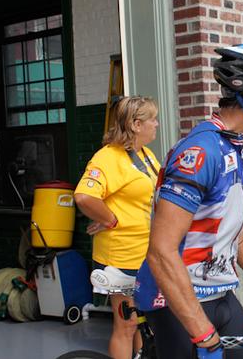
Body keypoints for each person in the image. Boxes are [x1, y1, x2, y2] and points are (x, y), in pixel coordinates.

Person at [134, 43, 243, 359]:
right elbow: (161, 251)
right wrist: (202, 332)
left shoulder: (240, 149)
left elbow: (237, 230)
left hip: (221, 294)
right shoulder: (200, 153)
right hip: (176, 299)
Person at [74, 96, 160, 359]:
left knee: (144, 323)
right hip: (121, 258)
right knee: (127, 324)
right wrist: (110, 219)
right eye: (152, 119)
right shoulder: (108, 158)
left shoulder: (144, 154)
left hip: (146, 254)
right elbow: (84, 197)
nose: (156, 124)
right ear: (136, 124)